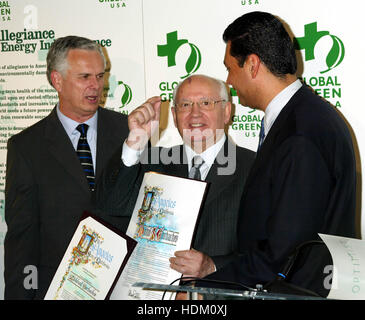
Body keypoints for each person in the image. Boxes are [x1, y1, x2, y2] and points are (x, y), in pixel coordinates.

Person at [200, 11, 357, 297]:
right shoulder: (305, 117)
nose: (228, 81)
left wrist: (204, 287)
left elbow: (283, 254)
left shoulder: (301, 132)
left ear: (252, 64)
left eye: (229, 68)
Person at [4, 36, 129, 299]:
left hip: (122, 288)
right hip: (58, 289)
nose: (96, 86)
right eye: (84, 77)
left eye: (100, 75)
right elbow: (22, 242)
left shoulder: (128, 131)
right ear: (57, 80)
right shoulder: (27, 148)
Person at [96, 74, 255, 278]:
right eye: (185, 105)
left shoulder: (254, 167)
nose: (195, 114)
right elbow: (109, 206)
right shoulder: (155, 162)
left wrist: (213, 266)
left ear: (226, 112)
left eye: (205, 103)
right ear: (173, 115)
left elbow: (268, 251)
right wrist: (135, 142)